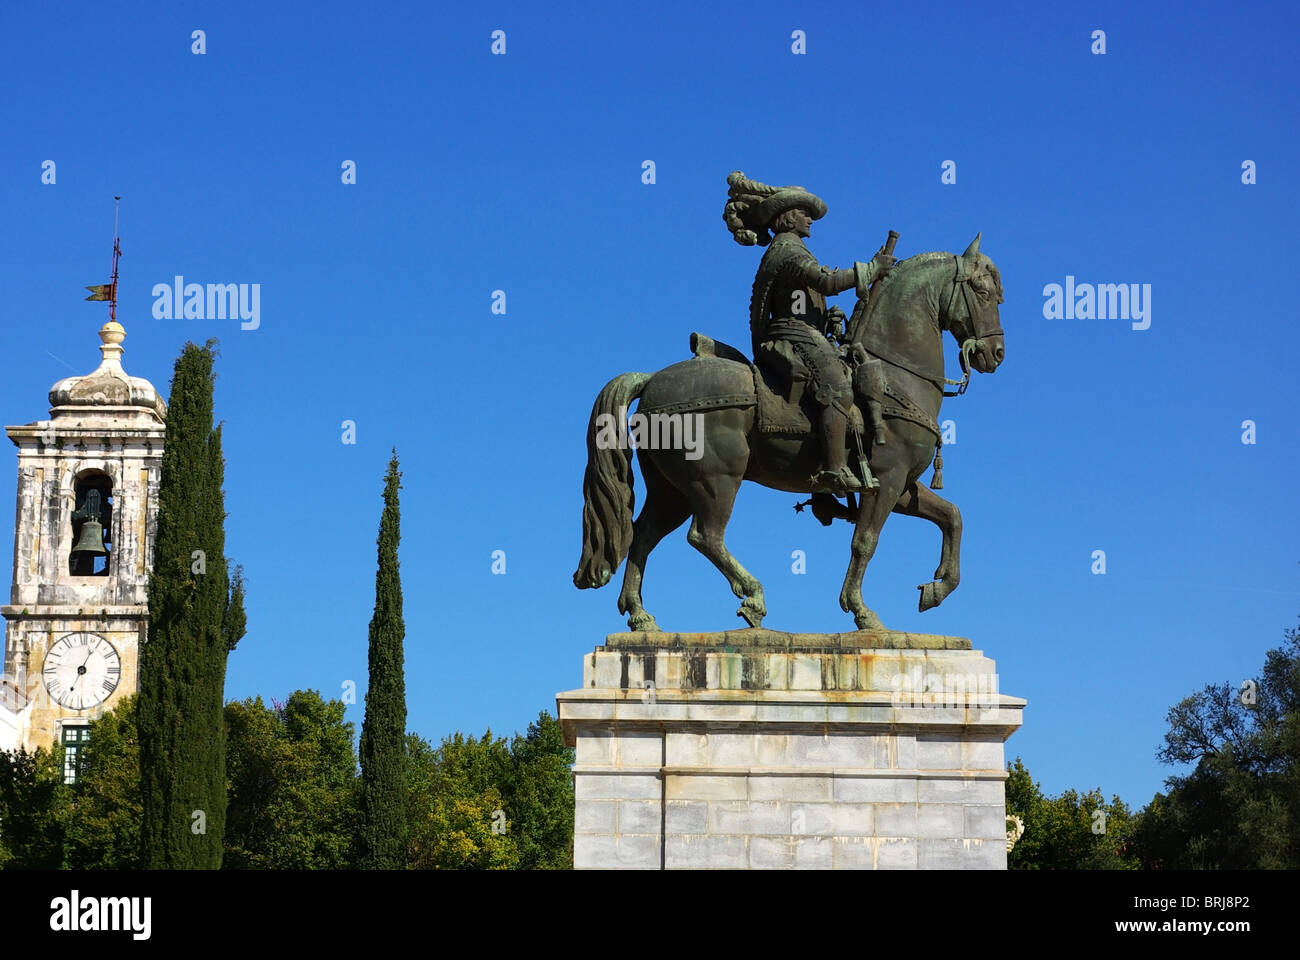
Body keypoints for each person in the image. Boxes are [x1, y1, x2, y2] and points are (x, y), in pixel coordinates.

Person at [724, 172, 895, 493]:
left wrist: (828, 316)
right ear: (788, 217)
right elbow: (826, 282)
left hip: (802, 328)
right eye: (805, 213)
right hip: (791, 334)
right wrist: (871, 270)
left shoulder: (792, 248)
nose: (810, 220)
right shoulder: (788, 249)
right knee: (838, 387)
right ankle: (833, 470)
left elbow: (803, 299)